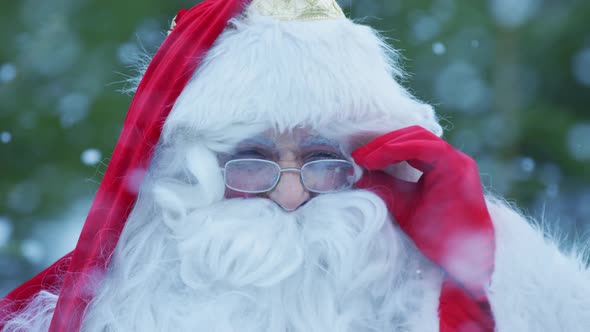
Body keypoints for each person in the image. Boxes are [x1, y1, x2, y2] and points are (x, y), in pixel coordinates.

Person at [1, 0, 589, 331]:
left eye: (322, 162)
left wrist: (485, 257)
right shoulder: (117, 308)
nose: (289, 198)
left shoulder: (424, 292)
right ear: (192, 177)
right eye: (252, 163)